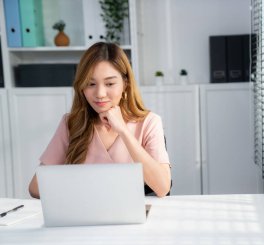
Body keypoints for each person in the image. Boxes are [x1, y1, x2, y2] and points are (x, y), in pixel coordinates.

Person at [28, 42, 171, 198]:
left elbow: (162, 188)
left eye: (109, 83)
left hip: (132, 219)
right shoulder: (71, 123)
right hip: (85, 216)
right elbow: (35, 187)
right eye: (91, 84)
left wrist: (123, 131)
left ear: (125, 84)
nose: (100, 93)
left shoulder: (150, 122)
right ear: (82, 87)